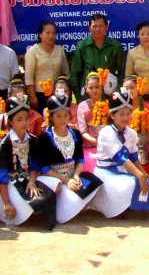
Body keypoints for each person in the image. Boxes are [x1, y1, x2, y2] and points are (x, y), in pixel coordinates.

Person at [37, 94, 103, 224]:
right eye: (58, 116)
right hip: (54, 178)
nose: (63, 119)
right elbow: (44, 168)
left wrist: (76, 176)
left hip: (72, 175)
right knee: (61, 190)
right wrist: (66, 181)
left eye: (66, 115)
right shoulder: (44, 138)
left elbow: (79, 159)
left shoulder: (75, 134)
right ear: (51, 117)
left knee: (95, 182)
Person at [90, 89, 149, 218]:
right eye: (121, 114)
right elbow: (120, 157)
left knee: (147, 182)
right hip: (106, 171)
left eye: (128, 113)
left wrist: (143, 173)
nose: (125, 118)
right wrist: (139, 175)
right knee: (128, 184)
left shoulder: (131, 132)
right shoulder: (106, 132)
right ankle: (113, 209)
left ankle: (132, 206)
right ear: (112, 115)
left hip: (123, 169)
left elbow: (133, 156)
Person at [0, 97, 56, 229]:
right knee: (34, 203)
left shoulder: (32, 140)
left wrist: (32, 182)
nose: (24, 123)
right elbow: (0, 176)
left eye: (27, 118)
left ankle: (31, 209)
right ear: (10, 122)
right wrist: (7, 202)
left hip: (26, 179)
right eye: (19, 119)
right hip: (9, 185)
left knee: (55, 186)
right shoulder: (3, 144)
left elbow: (34, 165)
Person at [70, 13, 126, 101]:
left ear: (107, 27)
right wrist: (78, 96)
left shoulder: (115, 46)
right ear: (89, 28)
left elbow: (123, 71)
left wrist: (117, 88)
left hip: (109, 94)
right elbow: (75, 73)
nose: (97, 29)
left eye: (101, 26)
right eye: (94, 26)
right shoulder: (82, 46)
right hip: (87, 95)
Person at [24, 20, 69, 114]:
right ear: (40, 34)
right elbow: (29, 76)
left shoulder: (59, 50)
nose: (51, 36)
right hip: (40, 95)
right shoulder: (33, 51)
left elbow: (65, 73)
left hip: (58, 93)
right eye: (48, 33)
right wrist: (32, 96)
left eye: (53, 33)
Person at [76, 71, 105, 173]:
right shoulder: (82, 106)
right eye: (91, 88)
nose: (94, 90)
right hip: (89, 146)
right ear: (86, 89)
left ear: (102, 87)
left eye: (97, 87)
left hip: (108, 145)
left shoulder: (107, 104)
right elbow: (83, 131)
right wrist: (96, 141)